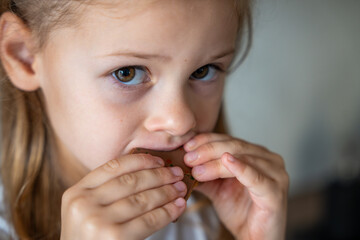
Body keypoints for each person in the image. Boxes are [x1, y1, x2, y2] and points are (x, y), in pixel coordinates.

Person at [0, 0, 289, 239]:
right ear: (23, 56)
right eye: (127, 72)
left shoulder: (210, 215)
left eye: (203, 71)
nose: (180, 121)